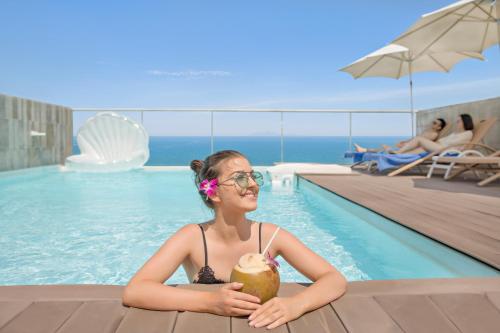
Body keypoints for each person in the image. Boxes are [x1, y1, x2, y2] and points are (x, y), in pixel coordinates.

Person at [122, 150, 347, 329]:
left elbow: (334, 279)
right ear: (214, 193)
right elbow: (136, 290)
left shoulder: (271, 235)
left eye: (253, 176)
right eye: (240, 178)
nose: (253, 184)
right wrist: (210, 302)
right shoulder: (192, 238)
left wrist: (296, 305)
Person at [388, 114, 474, 154]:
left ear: (465, 122)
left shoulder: (468, 133)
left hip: (446, 150)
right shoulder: (456, 133)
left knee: (419, 139)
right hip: (441, 147)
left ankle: (398, 152)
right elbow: (445, 140)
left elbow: (453, 143)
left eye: (459, 121)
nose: (457, 123)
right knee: (422, 148)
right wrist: (437, 143)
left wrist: (438, 143)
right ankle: (399, 155)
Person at [354, 118, 447, 153]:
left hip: (413, 149)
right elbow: (415, 139)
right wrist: (406, 142)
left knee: (390, 149)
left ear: (439, 127)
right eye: (433, 122)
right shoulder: (427, 131)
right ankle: (365, 150)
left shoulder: (434, 134)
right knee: (390, 148)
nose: (432, 123)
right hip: (410, 146)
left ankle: (365, 150)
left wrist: (406, 145)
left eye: (435, 123)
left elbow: (421, 143)